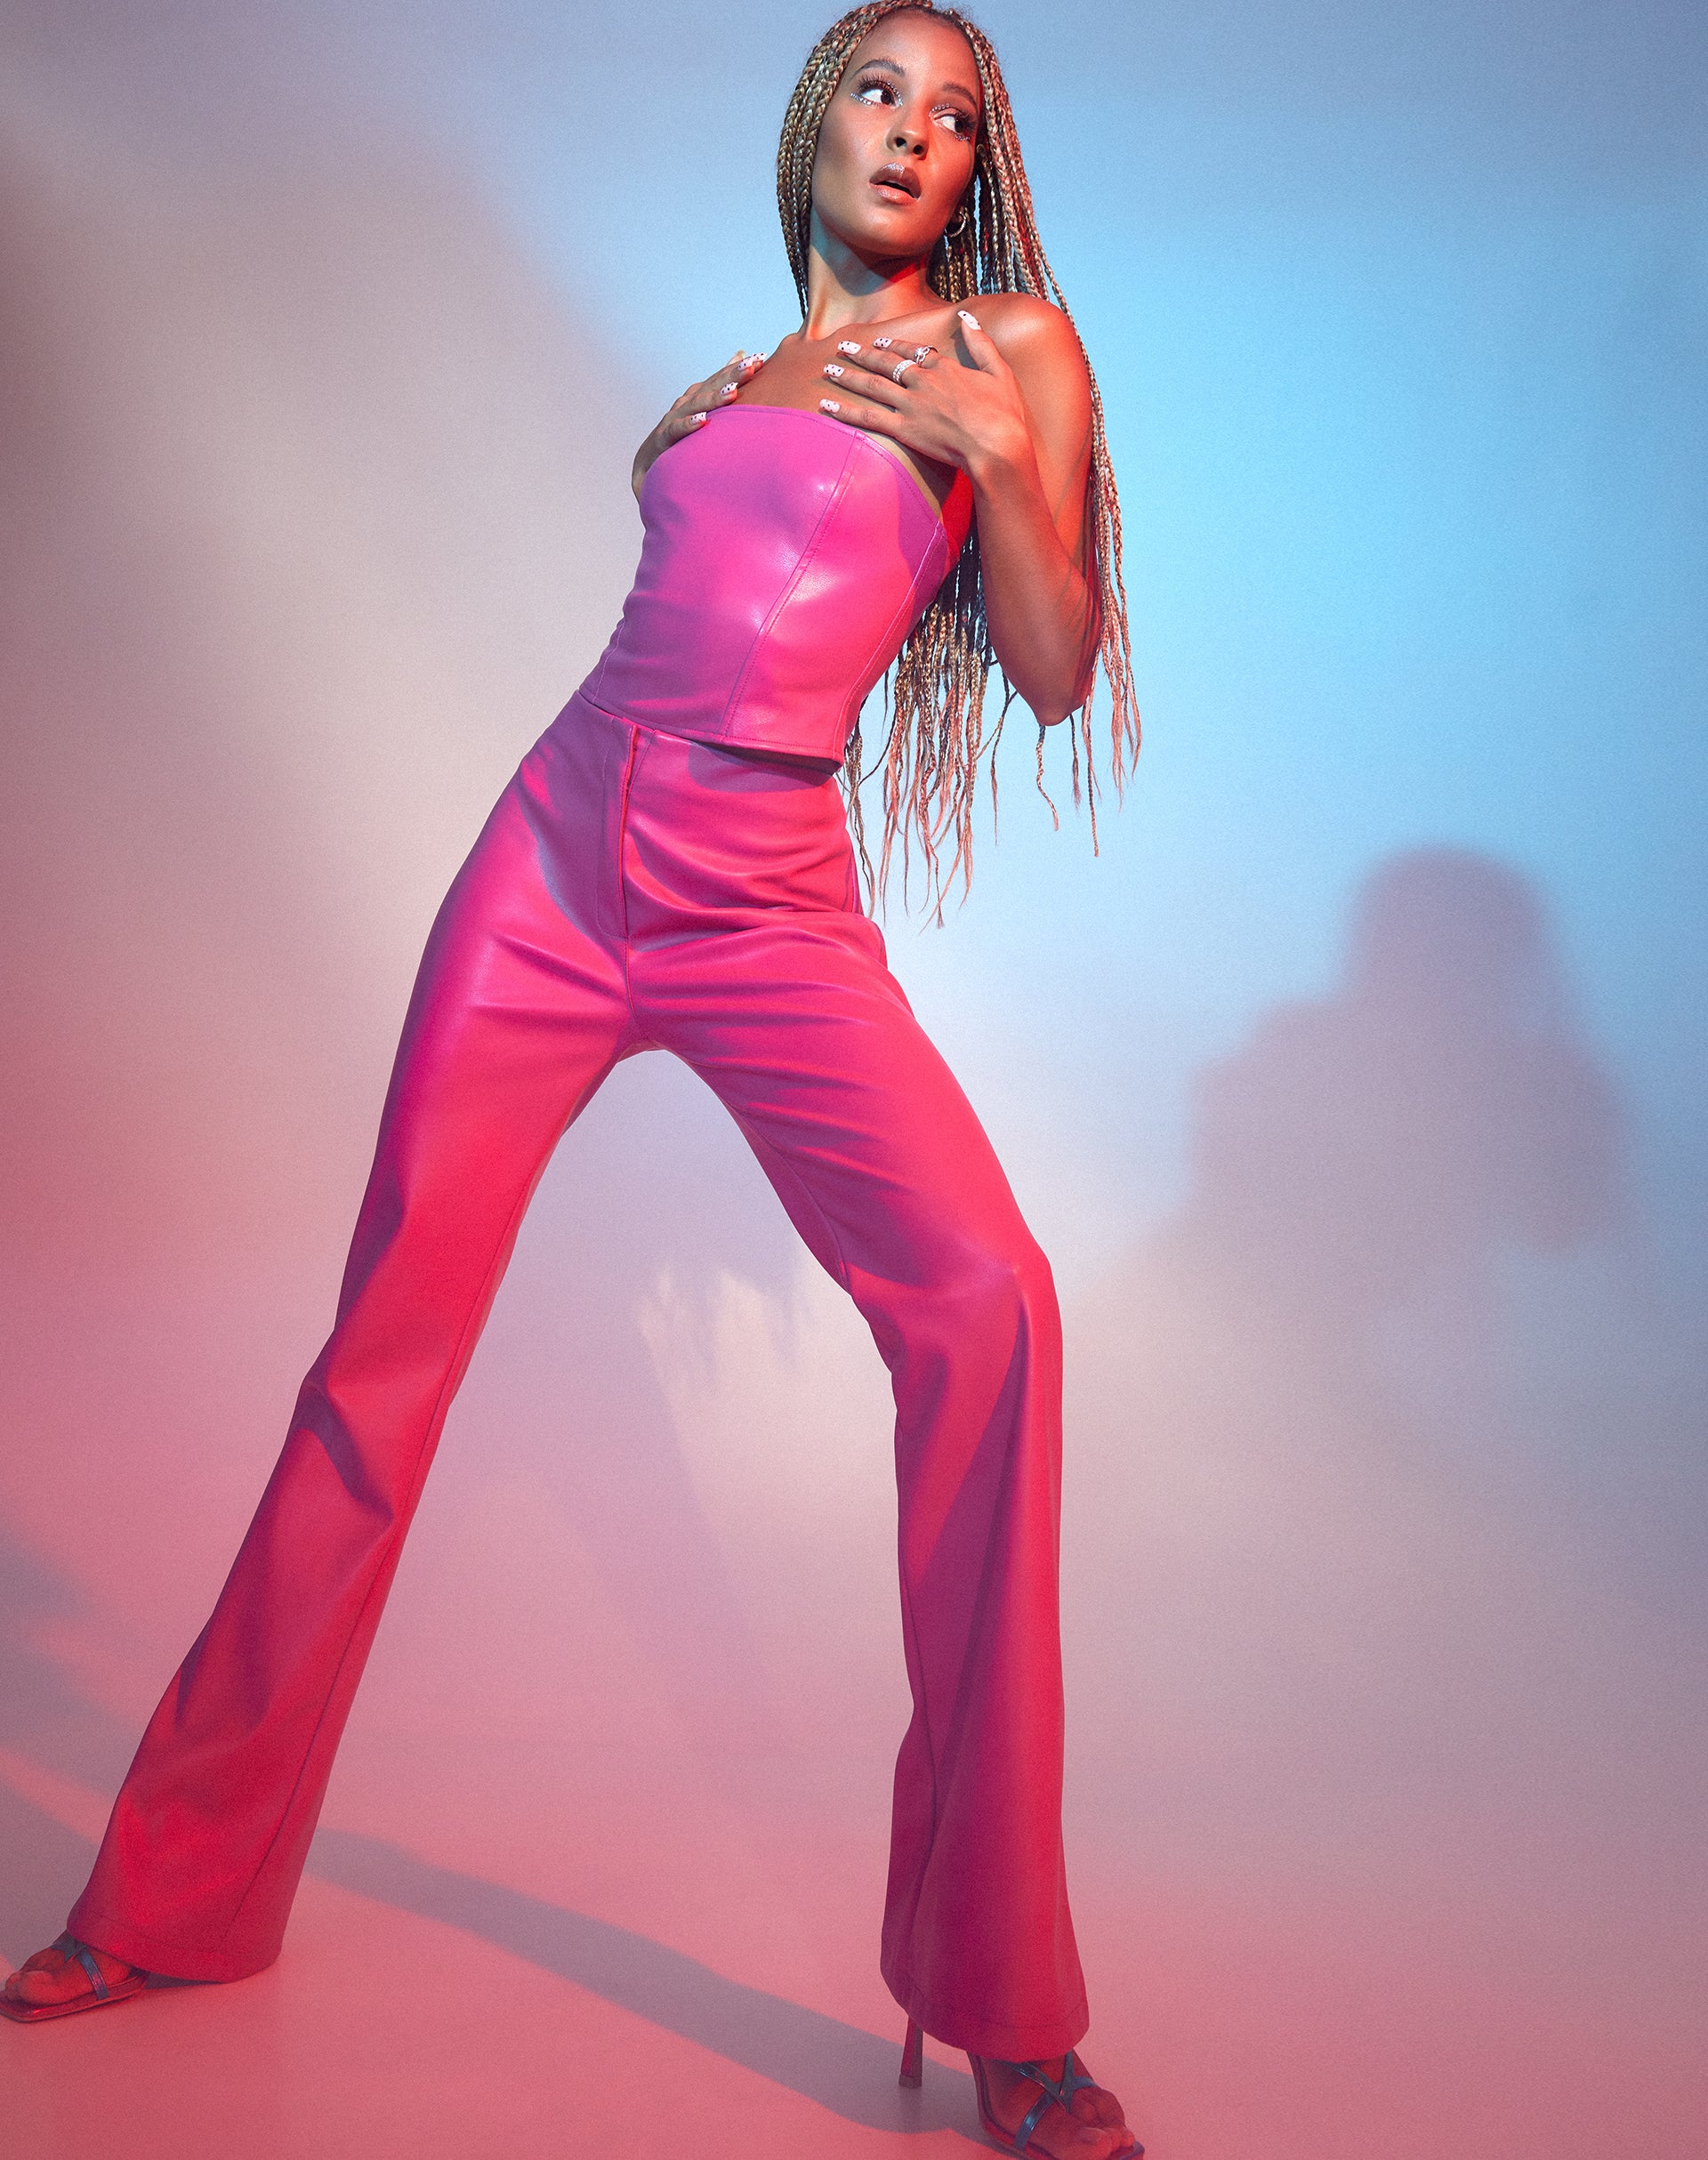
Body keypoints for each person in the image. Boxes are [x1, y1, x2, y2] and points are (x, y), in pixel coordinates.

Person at [4, 5, 1140, 2152]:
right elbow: (698, 578)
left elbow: (1062, 665)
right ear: (813, 122)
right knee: (381, 1355)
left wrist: (995, 460)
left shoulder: (1011, 353)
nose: (913, 132)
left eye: (953, 113)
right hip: (550, 852)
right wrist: (693, 448)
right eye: (879, 89)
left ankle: (1007, 1992)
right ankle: (173, 1893)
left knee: (991, 1305)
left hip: (764, 892)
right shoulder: (729, 386)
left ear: (976, 168)